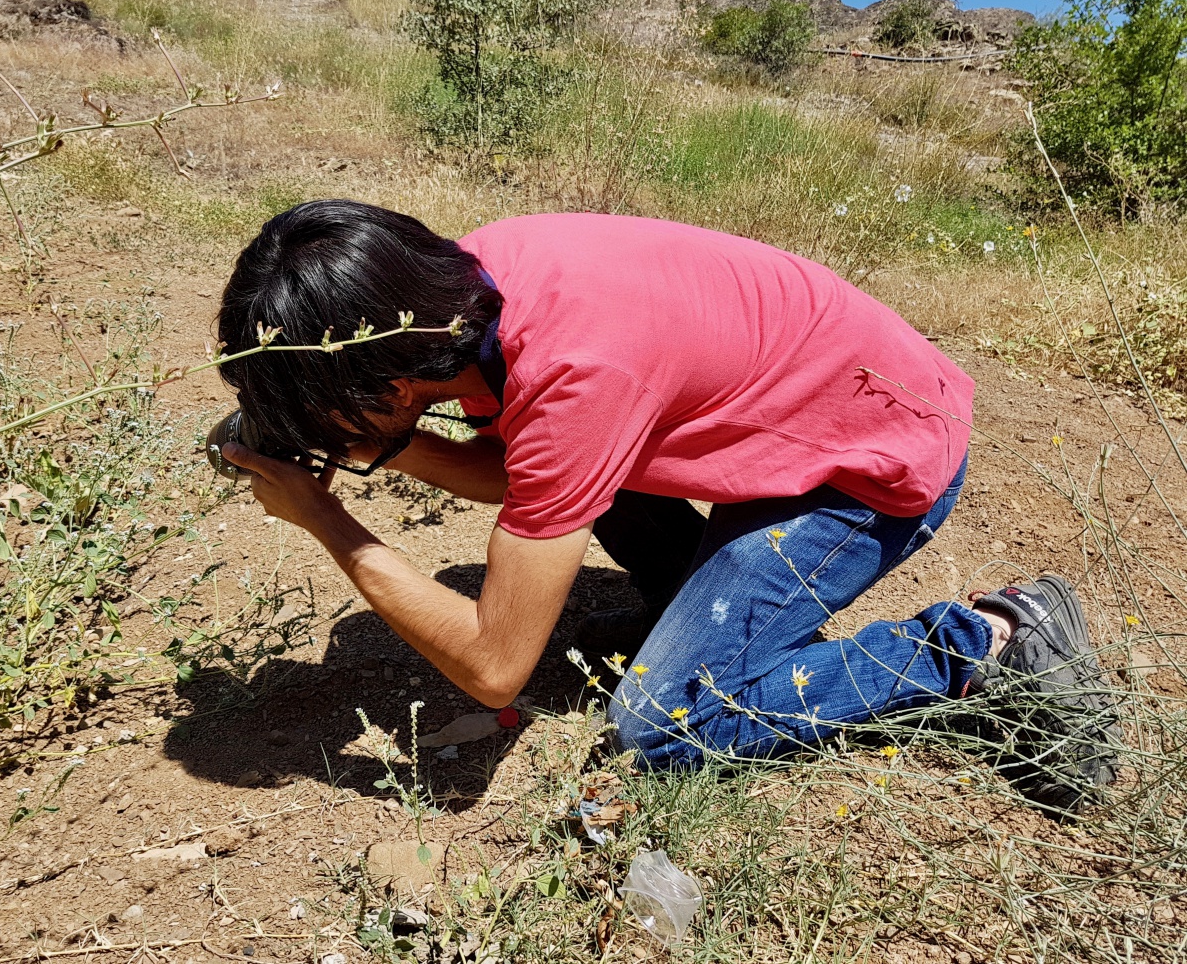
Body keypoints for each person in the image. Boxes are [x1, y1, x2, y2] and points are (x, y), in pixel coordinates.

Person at [215, 199, 1120, 814]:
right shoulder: (466, 287)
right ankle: (688, 617)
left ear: (397, 370)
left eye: (324, 407)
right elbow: (522, 469)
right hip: (799, 423)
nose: (316, 430)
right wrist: (371, 436)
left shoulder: (577, 371)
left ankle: (988, 638)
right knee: (571, 488)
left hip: (870, 465)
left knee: (662, 725)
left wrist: (325, 517)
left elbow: (493, 669)